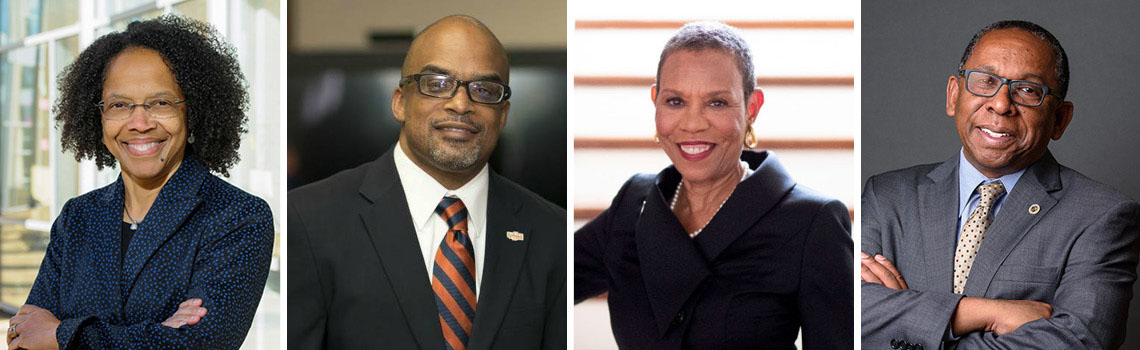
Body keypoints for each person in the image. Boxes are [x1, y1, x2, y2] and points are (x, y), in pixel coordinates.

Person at [287, 15, 566, 349]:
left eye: (484, 90)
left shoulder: (552, 233)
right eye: (437, 83)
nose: (461, 104)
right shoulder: (308, 220)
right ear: (400, 102)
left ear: (503, 115)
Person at [861, 20, 1140, 350]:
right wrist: (986, 313)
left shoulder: (1102, 215)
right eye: (986, 81)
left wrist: (905, 323)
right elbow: (852, 313)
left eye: (1027, 90)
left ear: (1060, 119)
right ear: (954, 95)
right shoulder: (887, 195)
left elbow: (1079, 343)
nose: (1001, 104)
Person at [574, 21, 853, 350]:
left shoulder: (812, 221)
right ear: (655, 102)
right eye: (675, 102)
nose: (692, 123)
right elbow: (543, 280)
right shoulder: (633, 203)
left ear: (752, 108)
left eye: (717, 103)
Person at [5, 15, 275, 350]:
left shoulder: (237, 216)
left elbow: (198, 344)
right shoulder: (77, 217)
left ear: (193, 112)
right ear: (98, 118)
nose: (139, 123)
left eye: (160, 103)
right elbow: (24, 338)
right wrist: (158, 333)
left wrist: (62, 334)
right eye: (119, 105)